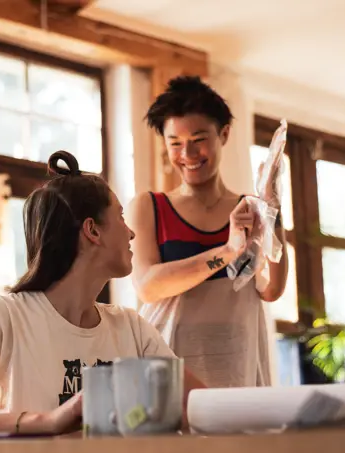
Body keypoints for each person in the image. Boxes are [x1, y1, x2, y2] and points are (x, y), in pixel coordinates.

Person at [0, 151, 205, 442]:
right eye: (120, 217)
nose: (131, 234)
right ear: (92, 231)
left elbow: (201, 410)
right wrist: (46, 421)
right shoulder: (2, 316)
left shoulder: (132, 328)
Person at [127, 76, 288, 389]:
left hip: (236, 368)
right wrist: (227, 251)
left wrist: (272, 210)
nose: (187, 153)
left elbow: (271, 289)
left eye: (198, 139)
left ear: (223, 134)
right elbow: (148, 287)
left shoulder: (251, 210)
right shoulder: (149, 207)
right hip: (168, 372)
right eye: (175, 143)